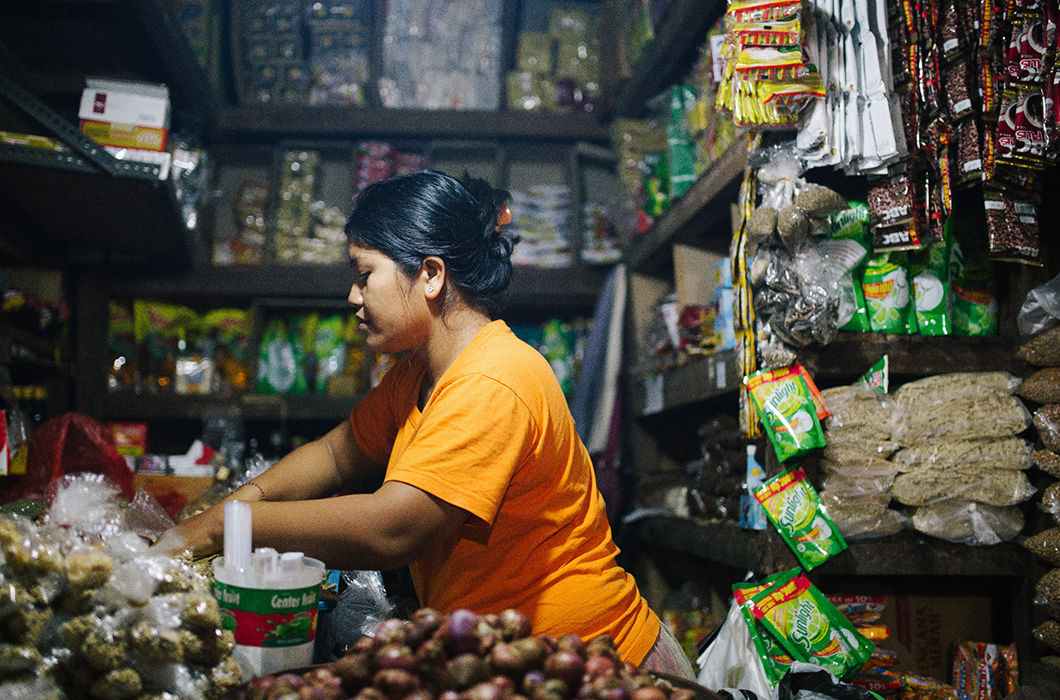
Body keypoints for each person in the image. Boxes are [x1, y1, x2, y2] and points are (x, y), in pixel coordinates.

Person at [158, 169, 695, 679]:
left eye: (365, 274)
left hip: (599, 663)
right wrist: (246, 498)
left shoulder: (494, 378)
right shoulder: (417, 374)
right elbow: (334, 454)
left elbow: (396, 527)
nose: (352, 296)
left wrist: (227, 528)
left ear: (431, 275)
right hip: (513, 659)